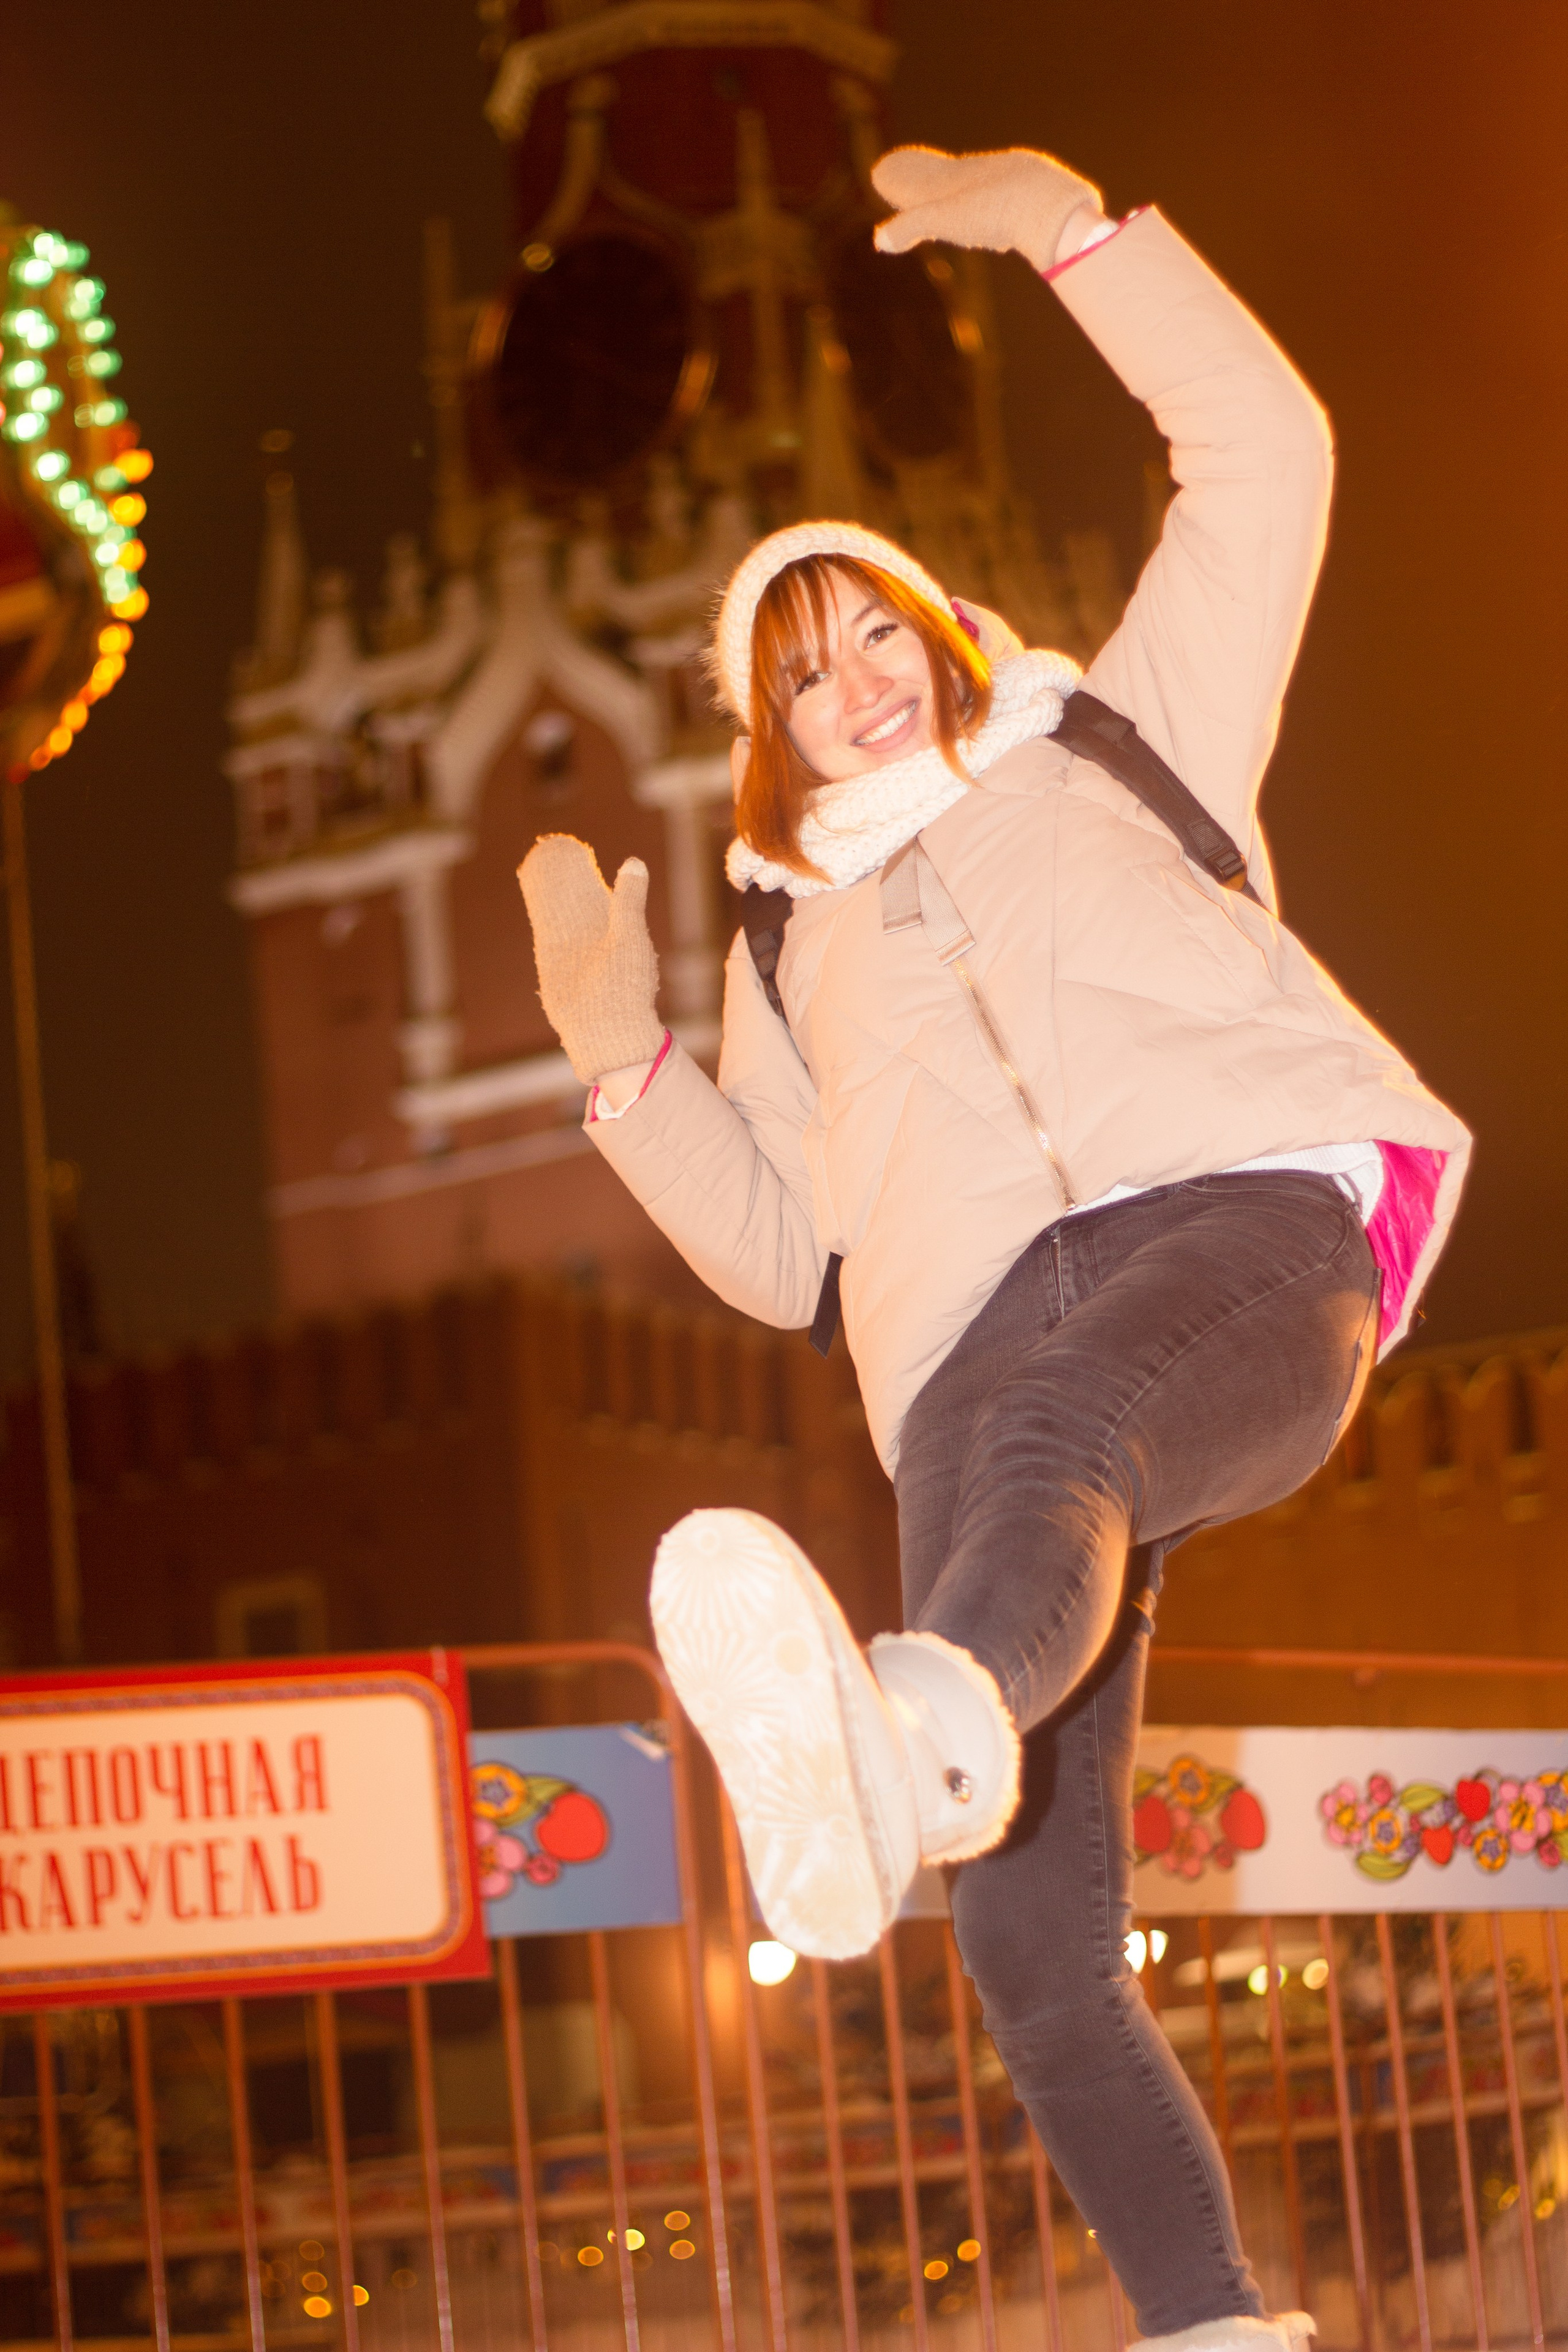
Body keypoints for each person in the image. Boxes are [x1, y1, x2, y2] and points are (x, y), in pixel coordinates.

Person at [519, 142, 1470, 2352]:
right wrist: (621, 1063)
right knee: (1030, 1949)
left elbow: (1265, 452)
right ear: (764, 734)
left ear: (939, 631)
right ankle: (1211, 2330)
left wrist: (1073, 232)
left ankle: (904, 1728)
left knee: (1074, 1425)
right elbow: (785, 1255)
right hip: (957, 1365)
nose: (855, 680)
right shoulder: (788, 949)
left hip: (1237, 1231)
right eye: (801, 673)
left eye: (876, 627)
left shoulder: (1121, 740)